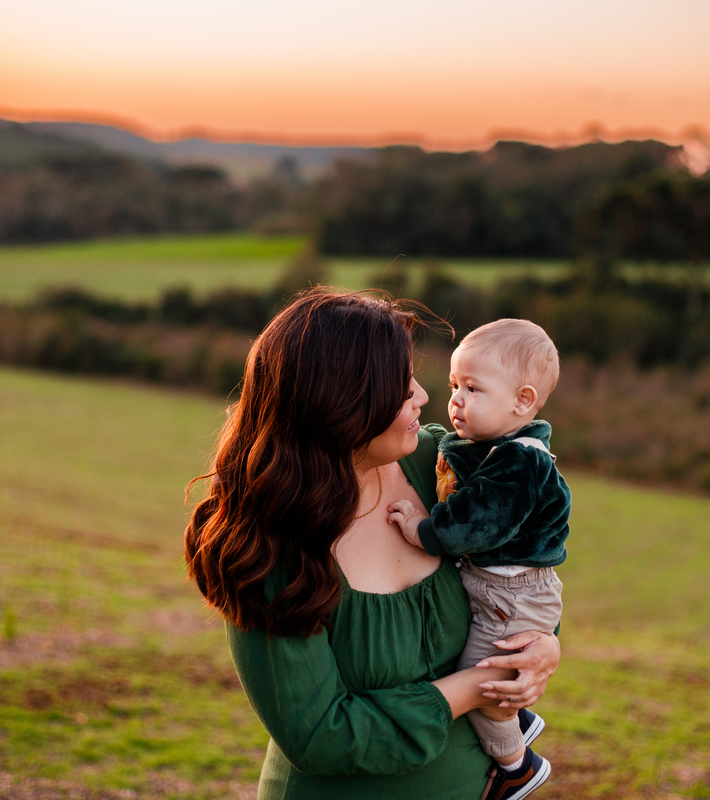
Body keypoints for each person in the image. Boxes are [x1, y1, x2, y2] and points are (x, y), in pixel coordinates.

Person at [184, 291, 561, 800]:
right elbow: (319, 735)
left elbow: (517, 568)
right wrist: (473, 688)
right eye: (398, 384)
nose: (422, 396)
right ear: (340, 403)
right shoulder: (266, 546)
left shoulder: (439, 465)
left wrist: (545, 645)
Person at [388, 319, 571, 800]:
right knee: (489, 675)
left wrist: (419, 529)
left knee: (480, 684)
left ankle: (517, 766)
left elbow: (475, 525)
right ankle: (519, 721)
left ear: (523, 401)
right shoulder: (488, 449)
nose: (454, 400)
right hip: (505, 590)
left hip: (512, 594)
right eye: (453, 385)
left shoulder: (519, 462)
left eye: (472, 388)